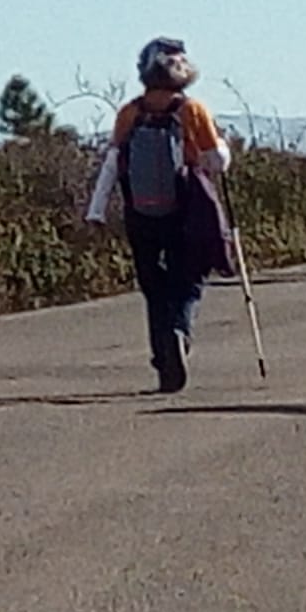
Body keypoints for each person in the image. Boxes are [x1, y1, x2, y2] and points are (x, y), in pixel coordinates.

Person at [86, 37, 233, 392]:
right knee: (189, 278)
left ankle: (163, 362)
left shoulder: (129, 113)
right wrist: (222, 148)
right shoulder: (192, 110)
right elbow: (216, 161)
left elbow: (111, 164)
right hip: (185, 209)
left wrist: (96, 211)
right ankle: (179, 332)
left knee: (154, 287)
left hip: (140, 211)